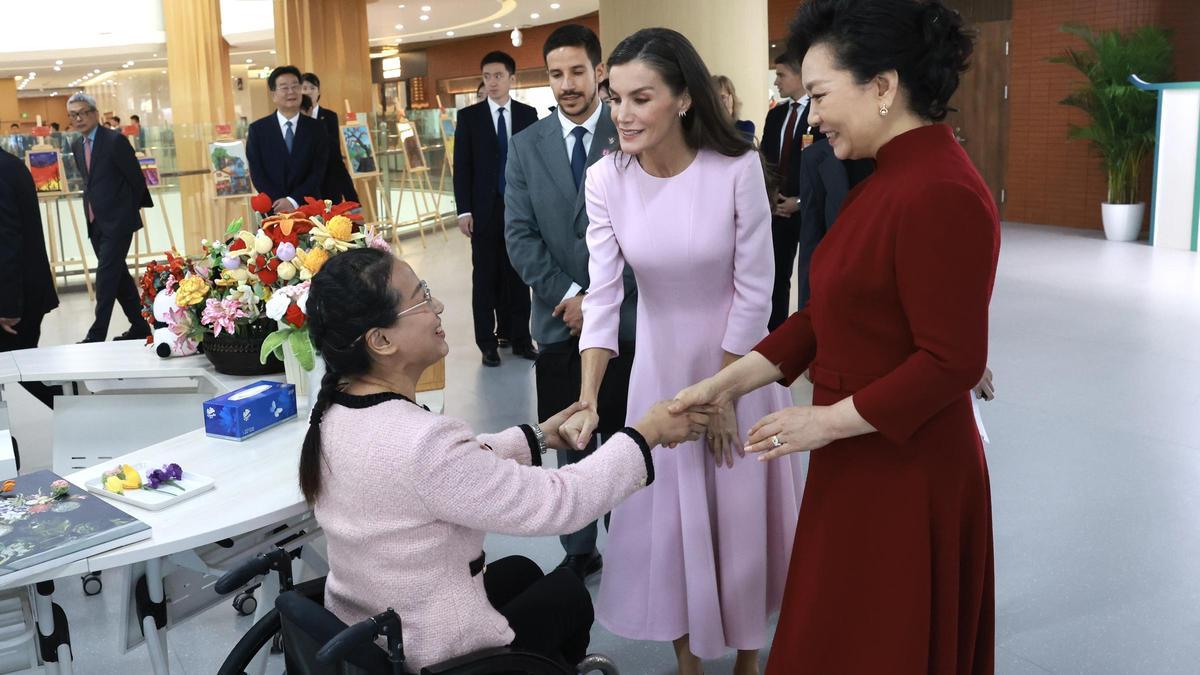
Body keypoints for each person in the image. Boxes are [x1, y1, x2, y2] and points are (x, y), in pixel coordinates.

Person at [671, 1, 997, 672]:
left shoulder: (939, 191)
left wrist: (825, 422)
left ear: (883, 86)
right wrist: (725, 383)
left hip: (908, 468)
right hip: (860, 450)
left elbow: (951, 360)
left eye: (819, 94)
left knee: (877, 638)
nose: (810, 113)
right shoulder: (887, 179)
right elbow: (826, 316)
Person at [302, 247, 708, 672]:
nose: (438, 305)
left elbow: (449, 470)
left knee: (520, 571)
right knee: (568, 593)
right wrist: (647, 433)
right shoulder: (422, 443)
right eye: (421, 298)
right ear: (380, 340)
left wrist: (538, 437)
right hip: (435, 652)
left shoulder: (333, 413)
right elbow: (563, 501)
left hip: (375, 628)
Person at [558, 28, 803, 675]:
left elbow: (756, 291)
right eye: (616, 99)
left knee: (740, 513)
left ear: (685, 99)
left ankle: (749, 659)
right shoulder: (607, 180)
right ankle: (689, 665)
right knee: (669, 522)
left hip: (740, 366)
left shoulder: (736, 169)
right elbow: (604, 295)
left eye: (642, 98)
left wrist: (722, 393)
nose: (623, 114)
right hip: (660, 376)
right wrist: (588, 394)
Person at [504, 24, 635, 580]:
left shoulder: (629, 131)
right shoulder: (525, 146)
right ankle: (579, 547)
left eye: (577, 71)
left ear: (599, 71)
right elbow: (518, 234)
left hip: (628, 322)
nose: (566, 84)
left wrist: (603, 300)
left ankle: (633, 538)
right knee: (570, 437)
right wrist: (572, 295)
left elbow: (648, 230)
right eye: (556, 74)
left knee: (626, 436)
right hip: (557, 321)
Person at [453, 51, 538, 367]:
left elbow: (535, 165)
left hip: (519, 210)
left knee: (519, 278)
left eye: (498, 76)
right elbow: (462, 167)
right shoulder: (470, 118)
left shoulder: (528, 115)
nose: (492, 82)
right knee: (484, 278)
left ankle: (520, 339)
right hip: (484, 212)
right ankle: (487, 343)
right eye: (487, 76)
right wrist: (464, 210)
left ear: (512, 78)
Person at [67, 92, 154, 343]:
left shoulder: (115, 141)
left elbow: (136, 180)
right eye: (73, 115)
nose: (79, 118)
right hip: (94, 221)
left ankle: (96, 334)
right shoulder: (76, 145)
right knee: (119, 277)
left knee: (105, 277)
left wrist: (125, 214)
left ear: (95, 113)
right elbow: (91, 182)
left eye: (83, 113)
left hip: (118, 222)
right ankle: (140, 325)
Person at [762, 51, 822, 330]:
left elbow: (826, 166)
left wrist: (800, 200)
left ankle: (811, 332)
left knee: (811, 277)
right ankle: (776, 335)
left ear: (799, 75)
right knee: (777, 276)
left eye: (781, 74)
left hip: (810, 208)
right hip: (778, 210)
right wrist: (772, 196)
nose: (776, 81)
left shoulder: (820, 114)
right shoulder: (776, 116)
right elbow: (765, 160)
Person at [0, 144, 60, 409]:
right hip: (24, 292)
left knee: (23, 375)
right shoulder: (11, 165)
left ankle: (79, 412)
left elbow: (8, 241)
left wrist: (9, 306)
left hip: (15, 300)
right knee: (24, 375)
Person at [794, 136, 873, 308]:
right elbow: (811, 244)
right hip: (839, 302)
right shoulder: (814, 157)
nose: (813, 119)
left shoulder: (902, 155)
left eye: (821, 106)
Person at [246, 65, 330, 214]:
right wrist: (280, 201)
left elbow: (318, 171)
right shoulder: (258, 130)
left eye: (295, 86)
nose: (291, 92)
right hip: (274, 208)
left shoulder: (317, 128)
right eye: (284, 87)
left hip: (308, 208)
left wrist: (293, 200)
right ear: (273, 95)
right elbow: (257, 174)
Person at [301, 72, 360, 204]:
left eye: (312, 88)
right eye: (304, 88)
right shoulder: (295, 119)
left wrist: (351, 196)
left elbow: (335, 155)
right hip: (305, 187)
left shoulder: (329, 116)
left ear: (318, 92)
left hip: (329, 182)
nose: (308, 92)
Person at [712, 75, 755, 141]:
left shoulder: (746, 127)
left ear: (732, 99)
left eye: (722, 97)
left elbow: (735, 147)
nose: (718, 102)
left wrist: (727, 114)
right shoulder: (703, 129)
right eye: (714, 98)